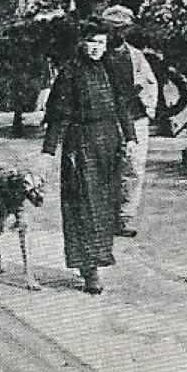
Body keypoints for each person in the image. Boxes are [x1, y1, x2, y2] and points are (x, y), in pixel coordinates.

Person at [42, 23, 136, 294]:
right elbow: (59, 115)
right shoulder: (70, 73)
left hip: (108, 142)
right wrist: (49, 150)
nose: (96, 48)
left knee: (105, 205)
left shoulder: (111, 70)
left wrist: (129, 137)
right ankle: (88, 269)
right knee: (84, 206)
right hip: (80, 143)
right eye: (91, 42)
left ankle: (100, 257)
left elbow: (122, 106)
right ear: (81, 42)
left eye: (101, 43)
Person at [100, 5, 156, 237]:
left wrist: (141, 95)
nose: (117, 34)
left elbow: (150, 83)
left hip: (134, 118)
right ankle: (103, 216)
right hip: (106, 119)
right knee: (105, 167)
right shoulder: (98, 55)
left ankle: (125, 216)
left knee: (133, 168)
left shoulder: (135, 56)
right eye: (113, 29)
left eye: (122, 29)